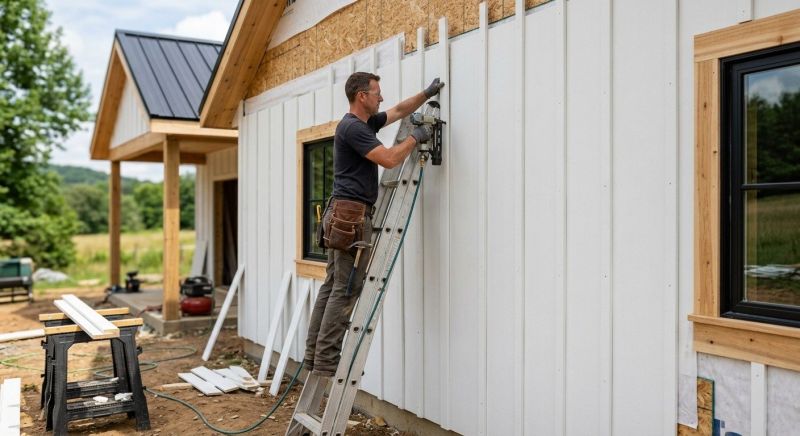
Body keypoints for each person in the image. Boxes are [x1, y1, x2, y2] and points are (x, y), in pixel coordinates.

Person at [303, 72, 445, 377]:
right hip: (350, 218)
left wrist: (426, 92)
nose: (381, 97)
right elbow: (390, 159)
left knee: (332, 286)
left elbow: (397, 112)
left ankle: (315, 354)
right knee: (346, 288)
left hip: (343, 214)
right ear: (361, 97)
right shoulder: (354, 128)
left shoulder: (363, 123)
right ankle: (326, 360)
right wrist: (415, 138)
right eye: (376, 92)